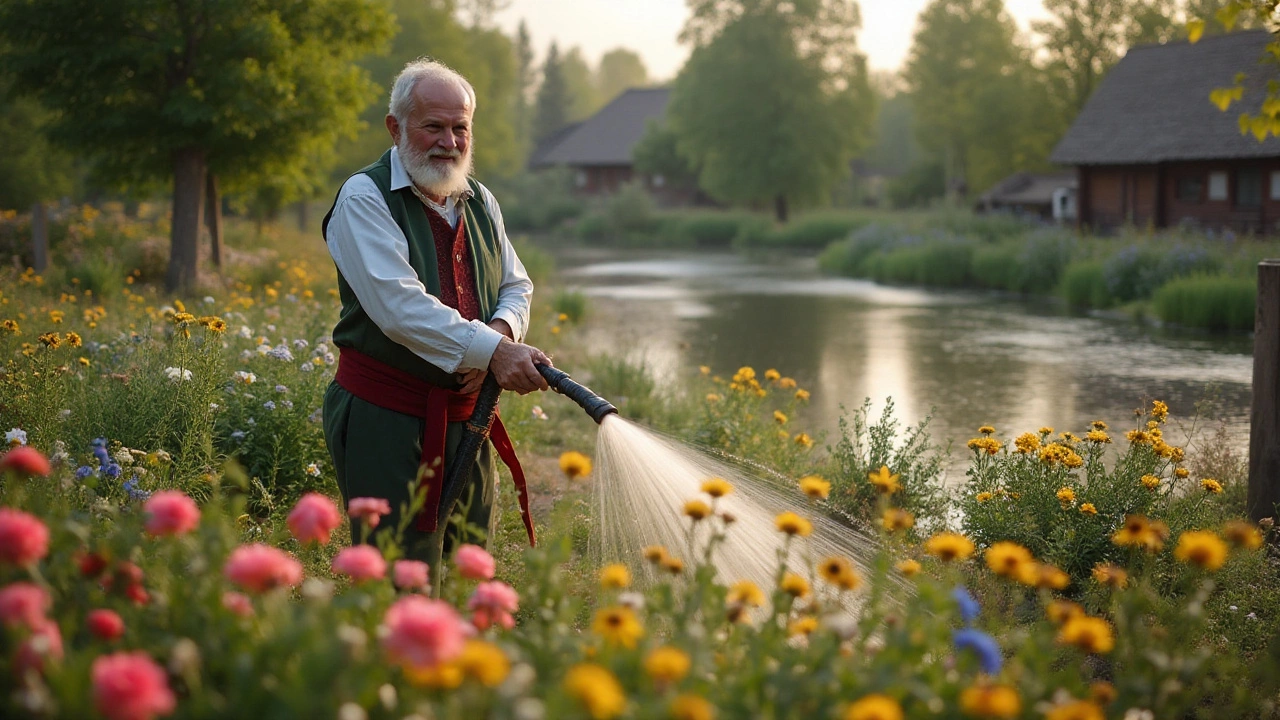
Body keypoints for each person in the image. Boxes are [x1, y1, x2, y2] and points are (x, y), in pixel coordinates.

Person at [321, 59, 551, 579]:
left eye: (460, 127)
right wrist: (493, 353)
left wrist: (499, 336)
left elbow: (517, 285)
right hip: (387, 417)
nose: (449, 141)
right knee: (396, 576)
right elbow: (399, 307)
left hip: (469, 414)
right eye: (433, 126)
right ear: (395, 127)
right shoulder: (364, 197)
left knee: (471, 566)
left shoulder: (480, 200)